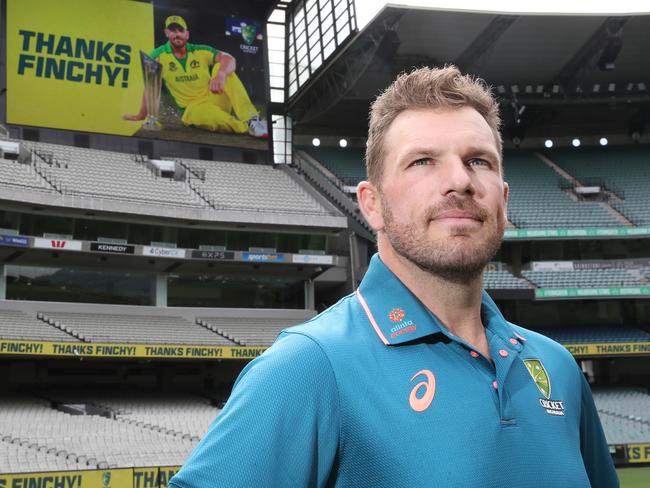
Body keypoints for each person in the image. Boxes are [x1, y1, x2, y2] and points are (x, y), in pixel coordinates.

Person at [168, 66, 619, 487]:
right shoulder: (309, 368)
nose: (460, 180)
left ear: (502, 198)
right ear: (372, 204)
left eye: (479, 160)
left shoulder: (557, 367)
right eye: (423, 161)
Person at [124, 15, 267, 138]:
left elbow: (230, 59)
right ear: (166, 33)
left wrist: (221, 75)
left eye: (181, 30)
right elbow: (150, 86)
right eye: (173, 30)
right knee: (213, 118)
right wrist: (141, 115)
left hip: (213, 97)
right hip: (192, 109)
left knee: (221, 66)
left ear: (187, 34)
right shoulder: (157, 56)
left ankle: (252, 120)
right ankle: (245, 128)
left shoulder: (200, 50)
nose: (177, 34)